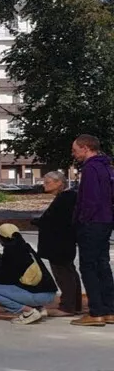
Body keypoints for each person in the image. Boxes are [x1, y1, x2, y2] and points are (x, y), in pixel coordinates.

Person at [70, 135, 114, 327]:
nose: (74, 154)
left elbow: (89, 199)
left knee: (88, 266)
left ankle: (96, 312)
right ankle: (110, 309)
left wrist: (81, 220)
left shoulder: (90, 168)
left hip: (92, 223)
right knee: (102, 264)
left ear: (86, 148)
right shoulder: (107, 166)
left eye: (75, 150)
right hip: (106, 221)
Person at [35, 170, 82, 315]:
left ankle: (68, 306)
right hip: (61, 242)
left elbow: (56, 220)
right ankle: (73, 304)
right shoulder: (65, 197)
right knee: (68, 272)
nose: (44, 185)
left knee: (64, 274)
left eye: (48, 182)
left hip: (60, 243)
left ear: (59, 183)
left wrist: (39, 222)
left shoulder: (66, 198)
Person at [0, 224, 58, 325]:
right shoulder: (25, 247)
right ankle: (39, 308)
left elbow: (5, 278)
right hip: (48, 293)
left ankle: (28, 311)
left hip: (40, 295)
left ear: (1, 238)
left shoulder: (11, 253)